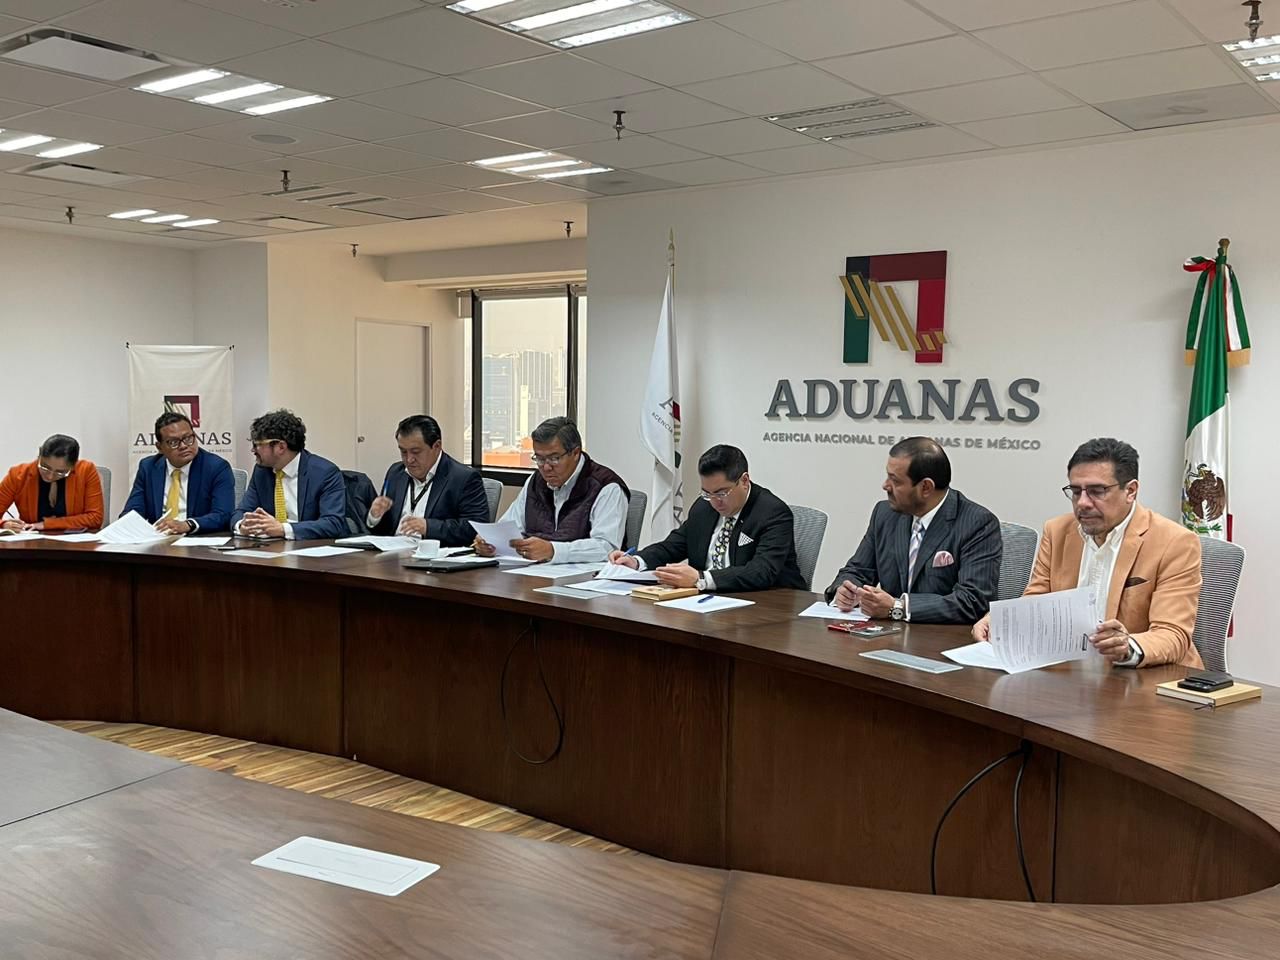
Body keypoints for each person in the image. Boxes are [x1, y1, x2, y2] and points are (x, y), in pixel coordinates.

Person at [971, 438, 1203, 669]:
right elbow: (1037, 601)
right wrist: (1003, 622)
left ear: (1130, 491)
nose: (1082, 503)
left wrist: (1128, 646)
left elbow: (1173, 634)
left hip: (1146, 676)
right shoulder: (1057, 531)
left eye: (1096, 491)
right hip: (1072, 671)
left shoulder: (1174, 542)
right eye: (1075, 491)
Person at [825, 437, 1000, 624]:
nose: (885, 485)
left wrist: (898, 607)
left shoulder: (977, 524)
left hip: (943, 636)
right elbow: (858, 570)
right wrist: (846, 591)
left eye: (895, 480)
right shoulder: (884, 514)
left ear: (925, 487)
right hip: (888, 634)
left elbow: (972, 601)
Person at [608, 444, 804, 593]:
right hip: (708, 602)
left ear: (744, 481)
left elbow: (762, 571)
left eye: (721, 493)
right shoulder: (704, 506)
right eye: (707, 493)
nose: (715, 501)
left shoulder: (773, 512)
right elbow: (673, 545)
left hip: (768, 604)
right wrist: (636, 561)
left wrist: (700, 579)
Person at [474, 417, 627, 563]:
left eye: (554, 458)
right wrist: (491, 542)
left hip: (584, 577)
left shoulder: (606, 486)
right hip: (532, 571)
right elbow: (509, 527)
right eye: (540, 459)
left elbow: (606, 547)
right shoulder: (536, 481)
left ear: (575, 453)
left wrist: (553, 550)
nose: (546, 467)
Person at [366, 414, 489, 546]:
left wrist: (429, 527)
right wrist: (375, 516)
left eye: (416, 452)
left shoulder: (463, 478)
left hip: (433, 553)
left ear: (436, 446)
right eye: (403, 452)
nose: (409, 459)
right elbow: (385, 530)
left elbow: (475, 528)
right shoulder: (396, 473)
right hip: (393, 552)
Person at [230, 409, 346, 541]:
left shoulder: (324, 473)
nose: (253, 450)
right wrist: (242, 525)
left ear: (281, 447)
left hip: (309, 546)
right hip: (270, 546)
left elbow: (333, 523)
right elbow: (241, 512)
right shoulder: (262, 471)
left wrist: (283, 529)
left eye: (257, 445)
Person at [121, 411, 235, 533]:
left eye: (188, 438)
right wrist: (125, 525)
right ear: (160, 447)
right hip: (158, 538)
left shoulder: (216, 467)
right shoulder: (148, 468)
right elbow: (133, 511)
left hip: (197, 538)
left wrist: (187, 525)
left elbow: (223, 514)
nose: (183, 446)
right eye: (173, 442)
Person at [0, 434, 104, 532]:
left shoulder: (86, 471)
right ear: (39, 456)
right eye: (45, 467)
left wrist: (46, 524)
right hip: (31, 541)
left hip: (77, 541)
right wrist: (4, 524)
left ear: (73, 466)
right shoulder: (18, 475)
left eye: (60, 472)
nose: (50, 476)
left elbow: (95, 518)